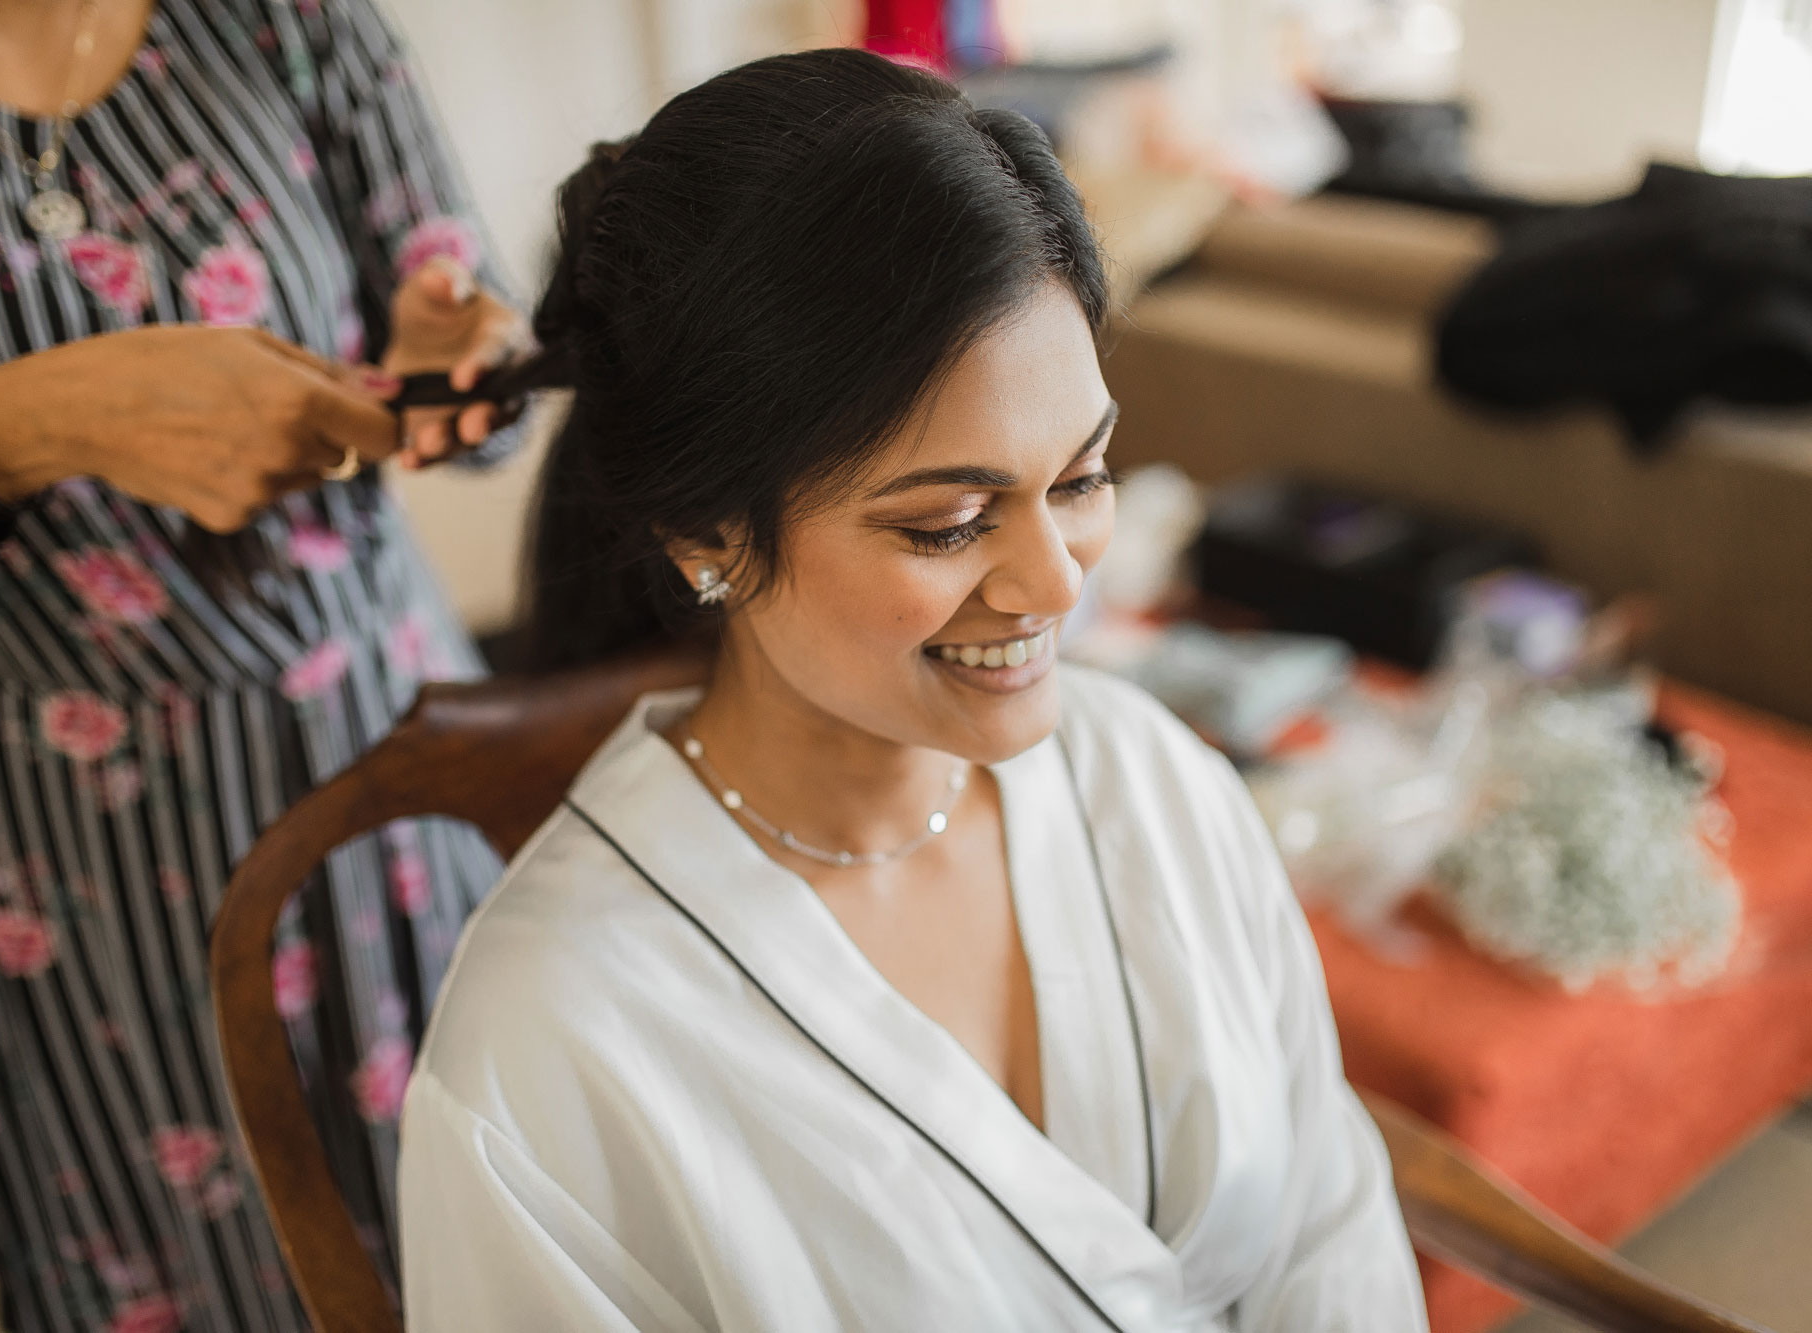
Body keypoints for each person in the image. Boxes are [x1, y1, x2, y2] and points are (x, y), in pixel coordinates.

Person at [399, 48, 1428, 1333]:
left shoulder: (1151, 779)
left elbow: (1332, 1231)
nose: (1053, 583)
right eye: (946, 523)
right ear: (706, 535)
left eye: (1080, 477)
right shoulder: (551, 1046)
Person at [0, 0, 524, 1327]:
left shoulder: (282, 15)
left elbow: (467, 332)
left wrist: (452, 360)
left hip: (379, 751)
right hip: (36, 835)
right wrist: (15, 423)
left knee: (466, 1215)